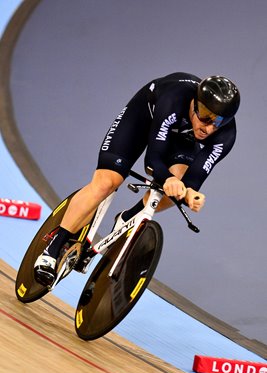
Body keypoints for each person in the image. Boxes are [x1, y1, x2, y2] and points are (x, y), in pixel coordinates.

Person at [34, 72, 240, 286]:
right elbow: (153, 160)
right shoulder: (173, 99)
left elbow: (195, 177)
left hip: (181, 136)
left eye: (219, 122)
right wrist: (166, 178)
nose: (209, 128)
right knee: (107, 182)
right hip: (144, 117)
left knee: (177, 190)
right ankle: (52, 250)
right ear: (194, 103)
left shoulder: (226, 136)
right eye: (206, 117)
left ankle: (127, 218)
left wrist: (191, 193)